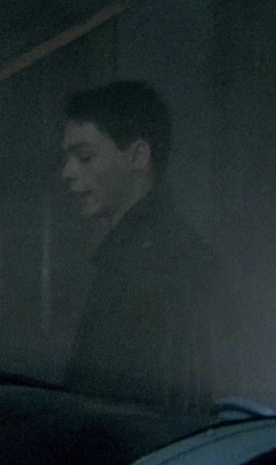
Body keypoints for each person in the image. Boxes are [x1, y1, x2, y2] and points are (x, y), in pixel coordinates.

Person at [59, 80, 231, 416]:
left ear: (138, 156)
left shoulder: (156, 263)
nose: (67, 172)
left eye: (85, 157)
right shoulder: (158, 251)